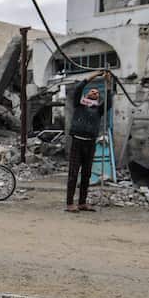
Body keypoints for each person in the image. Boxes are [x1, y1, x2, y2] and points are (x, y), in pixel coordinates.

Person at [67, 78, 105, 212]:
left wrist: (109, 83)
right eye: (92, 91)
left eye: (97, 93)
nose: (94, 93)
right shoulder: (80, 104)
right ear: (87, 94)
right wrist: (92, 77)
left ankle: (82, 202)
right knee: (73, 173)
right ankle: (70, 203)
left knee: (86, 174)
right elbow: (77, 89)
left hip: (90, 143)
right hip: (77, 141)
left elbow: (109, 102)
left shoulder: (98, 109)